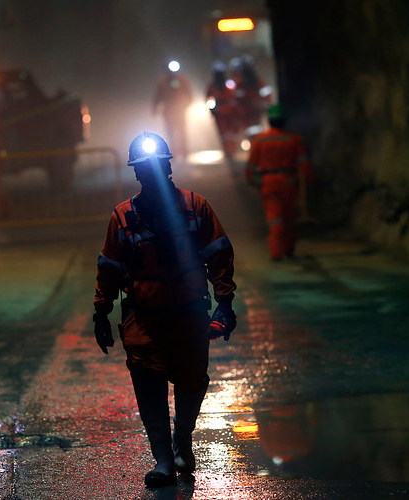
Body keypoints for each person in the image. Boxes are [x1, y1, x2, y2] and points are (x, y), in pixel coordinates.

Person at [93, 132, 237, 487]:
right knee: (147, 382)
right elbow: (109, 267)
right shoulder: (123, 217)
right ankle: (163, 460)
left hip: (188, 316)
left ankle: (181, 441)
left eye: (158, 166)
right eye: (145, 169)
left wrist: (225, 303)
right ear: (137, 174)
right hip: (144, 318)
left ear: (169, 167)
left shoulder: (195, 207)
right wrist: (101, 312)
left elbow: (219, 255)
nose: (152, 173)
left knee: (191, 381)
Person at [244, 104, 314, 260]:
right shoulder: (293, 139)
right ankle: (289, 249)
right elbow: (304, 164)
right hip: (289, 182)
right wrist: (311, 180)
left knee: (274, 217)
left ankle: (276, 252)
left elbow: (251, 165)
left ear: (269, 121)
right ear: (284, 121)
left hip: (268, 182)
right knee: (289, 217)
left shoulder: (260, 140)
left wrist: (250, 179)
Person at [152, 61, 193, 158]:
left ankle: (184, 151)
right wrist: (155, 108)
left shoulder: (182, 80)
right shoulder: (162, 82)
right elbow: (157, 96)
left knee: (182, 131)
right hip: (168, 111)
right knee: (170, 132)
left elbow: (189, 94)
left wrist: (185, 105)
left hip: (179, 110)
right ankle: (173, 151)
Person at [205, 62, 241, 158]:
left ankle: (232, 150)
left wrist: (236, 109)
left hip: (231, 113)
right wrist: (212, 110)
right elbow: (209, 99)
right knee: (224, 135)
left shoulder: (230, 84)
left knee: (233, 133)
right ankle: (228, 152)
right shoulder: (212, 87)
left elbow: (235, 96)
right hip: (220, 114)